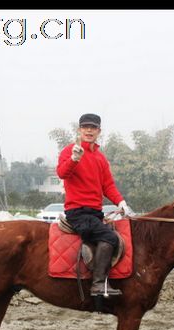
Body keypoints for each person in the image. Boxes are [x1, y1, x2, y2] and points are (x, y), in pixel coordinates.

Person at [56, 113, 133, 297]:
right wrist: (74, 159)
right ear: (79, 130)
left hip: (95, 214)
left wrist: (121, 202)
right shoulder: (70, 151)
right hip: (78, 213)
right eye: (85, 127)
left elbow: (108, 186)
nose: (89, 130)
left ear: (99, 131)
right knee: (111, 238)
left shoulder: (100, 158)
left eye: (93, 128)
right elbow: (62, 173)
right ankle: (98, 284)